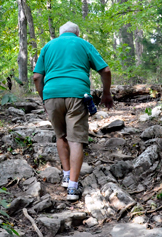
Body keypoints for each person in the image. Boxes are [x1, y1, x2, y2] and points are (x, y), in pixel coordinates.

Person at [33, 21, 113, 201]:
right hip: (77, 94)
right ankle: (73, 188)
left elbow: (37, 76)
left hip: (51, 94)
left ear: (61, 33)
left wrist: (44, 99)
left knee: (61, 136)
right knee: (76, 140)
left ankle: (67, 175)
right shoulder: (83, 44)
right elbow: (105, 70)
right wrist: (106, 93)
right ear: (77, 33)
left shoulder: (48, 46)